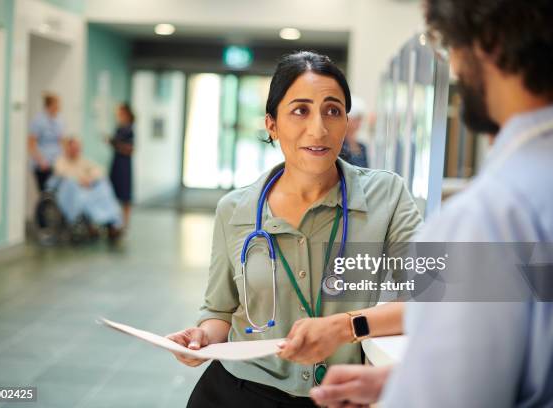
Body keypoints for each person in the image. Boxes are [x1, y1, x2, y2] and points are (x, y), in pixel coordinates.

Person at [310, 0, 553, 407]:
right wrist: (405, 382)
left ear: (488, 43)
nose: (454, 68)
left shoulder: (490, 217)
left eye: (449, 45)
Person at [166, 51, 423, 407]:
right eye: (300, 110)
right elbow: (219, 313)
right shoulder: (234, 210)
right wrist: (201, 338)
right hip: (238, 392)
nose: (318, 128)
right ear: (272, 124)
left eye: (332, 111)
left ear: (346, 122)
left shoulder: (387, 196)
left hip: (338, 395)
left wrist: (346, 326)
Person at [53, 138, 123, 240]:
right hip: (71, 191)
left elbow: (99, 170)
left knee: (104, 186)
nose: (75, 150)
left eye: (77, 148)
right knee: (83, 197)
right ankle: (94, 223)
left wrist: (90, 179)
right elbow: (62, 174)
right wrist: (78, 180)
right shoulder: (61, 161)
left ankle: (112, 223)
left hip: (88, 189)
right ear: (67, 148)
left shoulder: (83, 160)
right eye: (73, 148)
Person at [28, 92, 64, 191]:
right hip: (43, 164)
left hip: (56, 162)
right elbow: (31, 144)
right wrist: (41, 161)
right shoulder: (39, 120)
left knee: (56, 193)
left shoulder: (59, 120)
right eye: (57, 103)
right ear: (49, 105)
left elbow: (61, 141)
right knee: (45, 193)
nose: (59, 106)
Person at [109, 103, 135, 228]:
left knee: (125, 195)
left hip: (124, 163)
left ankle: (125, 224)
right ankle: (114, 222)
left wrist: (117, 144)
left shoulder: (129, 129)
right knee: (113, 192)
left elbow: (130, 149)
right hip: (117, 162)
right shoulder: (119, 127)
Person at [339, 95, 369, 168]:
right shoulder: (339, 146)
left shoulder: (362, 147)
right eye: (356, 119)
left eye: (360, 119)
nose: (359, 123)